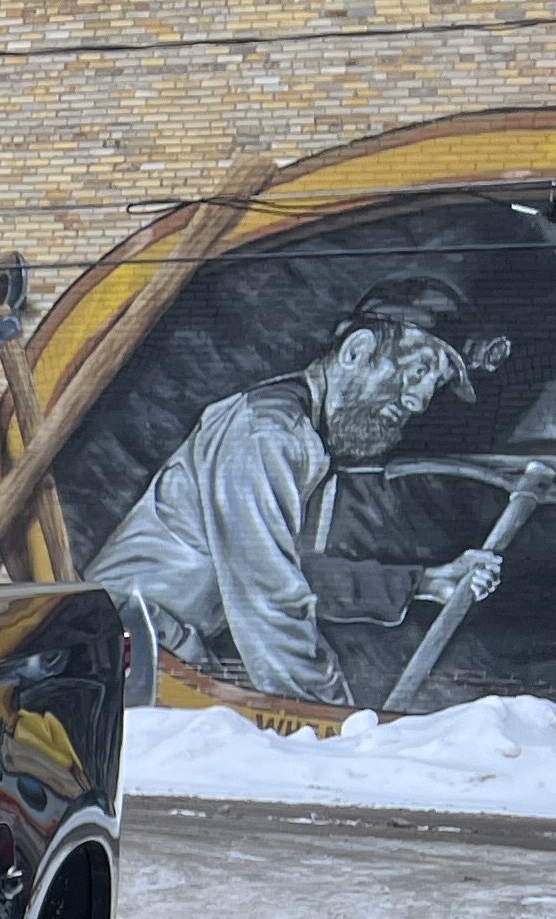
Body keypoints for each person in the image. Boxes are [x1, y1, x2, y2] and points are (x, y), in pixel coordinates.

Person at [83, 277, 511, 706]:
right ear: (356, 351)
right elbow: (270, 599)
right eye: (416, 372)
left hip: (155, 645)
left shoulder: (306, 438)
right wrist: (334, 721)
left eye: (434, 385)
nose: (420, 401)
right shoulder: (266, 435)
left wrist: (423, 582)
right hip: (129, 648)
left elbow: (295, 576)